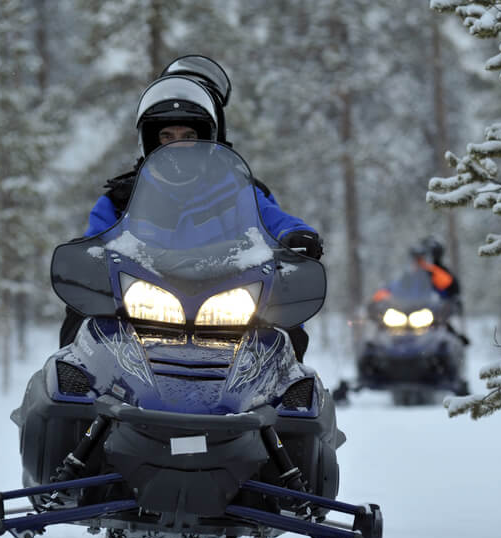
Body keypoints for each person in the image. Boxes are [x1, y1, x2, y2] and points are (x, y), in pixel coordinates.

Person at [60, 61, 322, 361]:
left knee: (283, 322)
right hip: (140, 313)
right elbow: (95, 242)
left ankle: (285, 384)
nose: (177, 145)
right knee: (82, 315)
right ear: (149, 139)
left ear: (206, 139)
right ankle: (75, 380)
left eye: (188, 136)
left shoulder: (236, 190)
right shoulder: (121, 199)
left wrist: (296, 236)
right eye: (166, 136)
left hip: (228, 311)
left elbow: (276, 221)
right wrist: (85, 257)